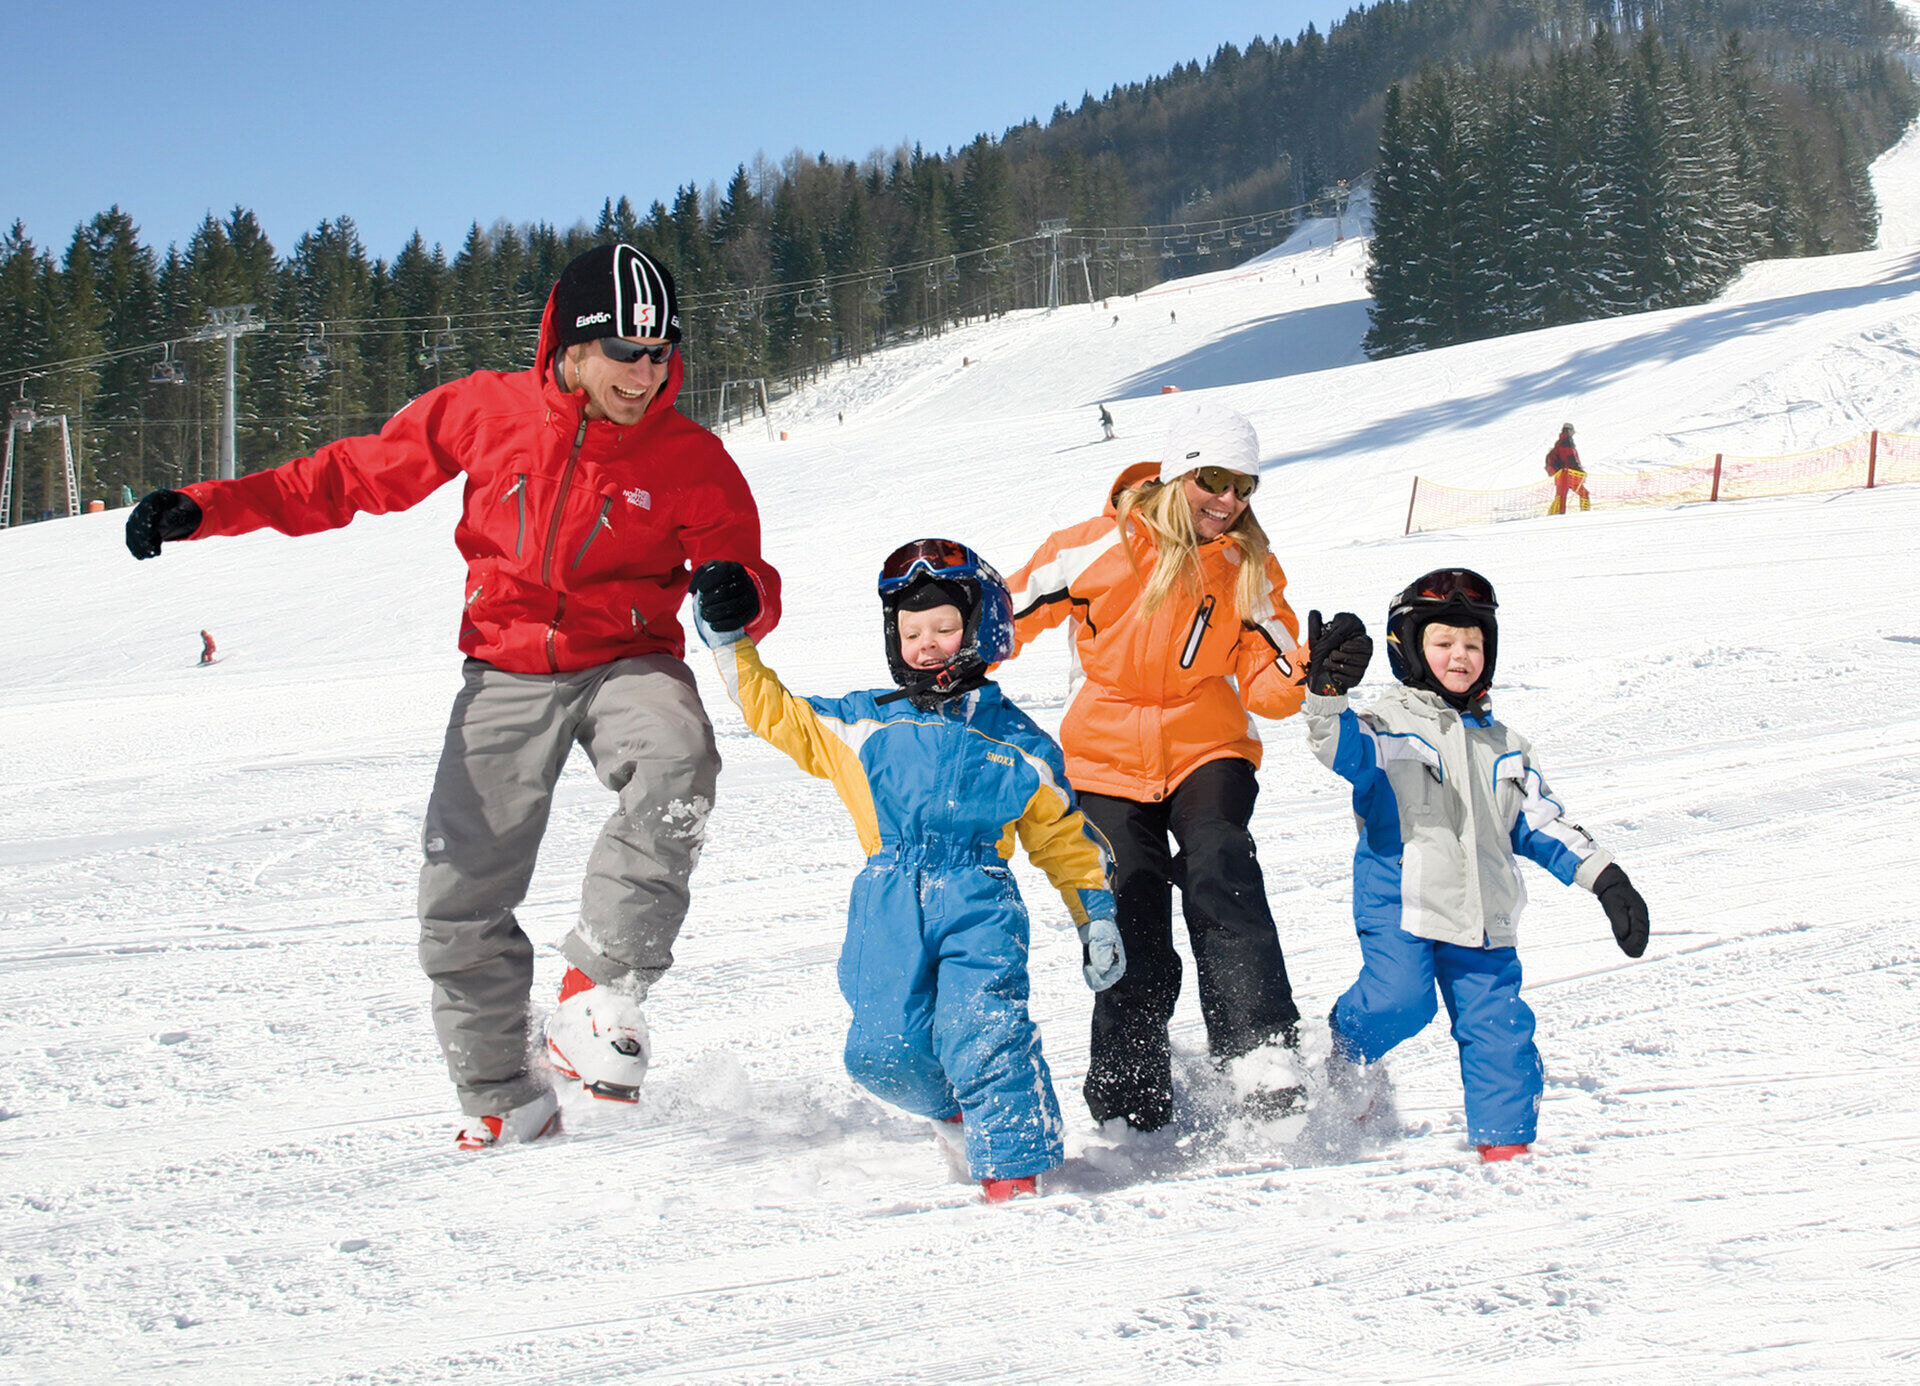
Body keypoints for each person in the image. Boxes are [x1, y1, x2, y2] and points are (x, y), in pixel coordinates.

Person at [123, 243, 782, 1150]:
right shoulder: (486, 411)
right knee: (461, 891)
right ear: (572, 346)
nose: (645, 372)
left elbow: (741, 566)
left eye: (661, 351)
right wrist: (210, 505)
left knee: (678, 756)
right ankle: (503, 1100)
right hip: (506, 668)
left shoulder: (689, 457)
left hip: (626, 659)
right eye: (626, 351)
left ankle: (600, 992)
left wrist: (739, 590)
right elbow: (347, 476)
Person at [689, 540, 1123, 1202]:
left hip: (978, 896)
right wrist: (729, 641)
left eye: (945, 627)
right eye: (911, 630)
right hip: (886, 900)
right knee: (880, 1051)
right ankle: (960, 1115)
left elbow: (1064, 837)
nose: (926, 643)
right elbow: (776, 714)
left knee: (985, 1028)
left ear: (984, 629)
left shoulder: (1020, 745)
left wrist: (1096, 917)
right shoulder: (864, 723)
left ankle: (1017, 1171)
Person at [1006, 401, 1308, 1133]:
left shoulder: (1246, 566)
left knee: (1218, 859)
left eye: (1244, 486)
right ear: (1178, 474)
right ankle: (1129, 1101)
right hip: (1105, 755)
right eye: (1214, 479)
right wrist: (937, 642)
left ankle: (1259, 1051)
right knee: (1128, 904)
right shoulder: (1091, 550)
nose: (1228, 501)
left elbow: (1268, 686)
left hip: (1208, 744)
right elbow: (999, 616)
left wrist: (1310, 672)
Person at [1301, 569, 1650, 1162]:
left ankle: (1506, 1151)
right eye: (1442, 642)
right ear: (1408, 648)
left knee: (1500, 1029)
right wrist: (1327, 697)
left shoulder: (1505, 745)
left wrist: (1606, 878)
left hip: (1485, 914)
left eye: (1473, 644)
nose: (1460, 656)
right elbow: (1342, 749)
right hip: (1402, 905)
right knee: (1401, 1001)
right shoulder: (1389, 727)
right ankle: (1342, 1049)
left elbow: (1538, 823)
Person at [1545, 423, 1590, 515]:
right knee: (1583, 493)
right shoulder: (1567, 442)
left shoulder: (1560, 442)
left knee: (1560, 497)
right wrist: (1579, 471)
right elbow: (1571, 458)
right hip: (1569, 474)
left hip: (1560, 475)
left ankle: (1556, 514)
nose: (1573, 433)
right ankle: (1585, 513)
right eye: (1573, 431)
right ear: (1569, 430)